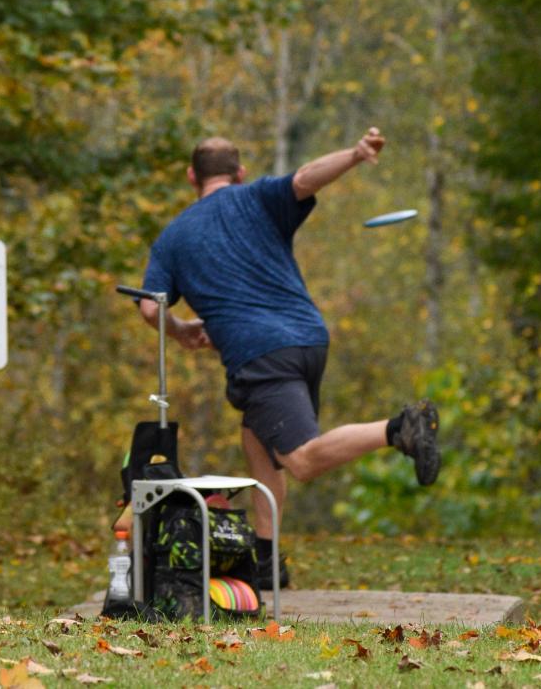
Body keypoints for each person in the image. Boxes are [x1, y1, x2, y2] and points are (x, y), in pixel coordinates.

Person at [134, 131, 439, 589]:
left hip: (260, 354)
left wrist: (180, 332)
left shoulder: (173, 237)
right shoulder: (257, 197)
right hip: (309, 339)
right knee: (258, 445)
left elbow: (150, 306)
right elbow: (304, 179)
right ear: (239, 173)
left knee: (300, 459)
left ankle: (399, 428)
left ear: (191, 176)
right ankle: (266, 563)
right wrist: (356, 155)